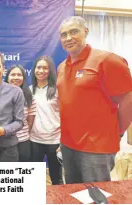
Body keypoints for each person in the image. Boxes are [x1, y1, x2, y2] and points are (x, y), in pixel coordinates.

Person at [57, 16, 132, 183]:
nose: (68, 38)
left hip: (96, 148)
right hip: (68, 145)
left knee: (95, 196)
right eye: (63, 35)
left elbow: (128, 100)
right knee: (73, 193)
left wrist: (117, 132)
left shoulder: (107, 60)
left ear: (86, 32)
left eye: (73, 32)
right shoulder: (62, 67)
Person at [30, 56, 63, 185]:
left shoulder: (57, 90)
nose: (41, 71)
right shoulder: (29, 90)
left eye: (45, 68)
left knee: (56, 178)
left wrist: (62, 142)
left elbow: (65, 116)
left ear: (50, 71)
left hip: (54, 141)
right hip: (35, 140)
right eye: (38, 67)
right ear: (34, 70)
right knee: (34, 179)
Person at [4, 65, 36, 162]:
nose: (16, 77)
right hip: (5, 142)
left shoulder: (29, 96)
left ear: (23, 78)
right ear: (7, 77)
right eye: (13, 74)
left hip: (23, 142)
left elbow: (30, 121)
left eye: (19, 75)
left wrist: (22, 134)